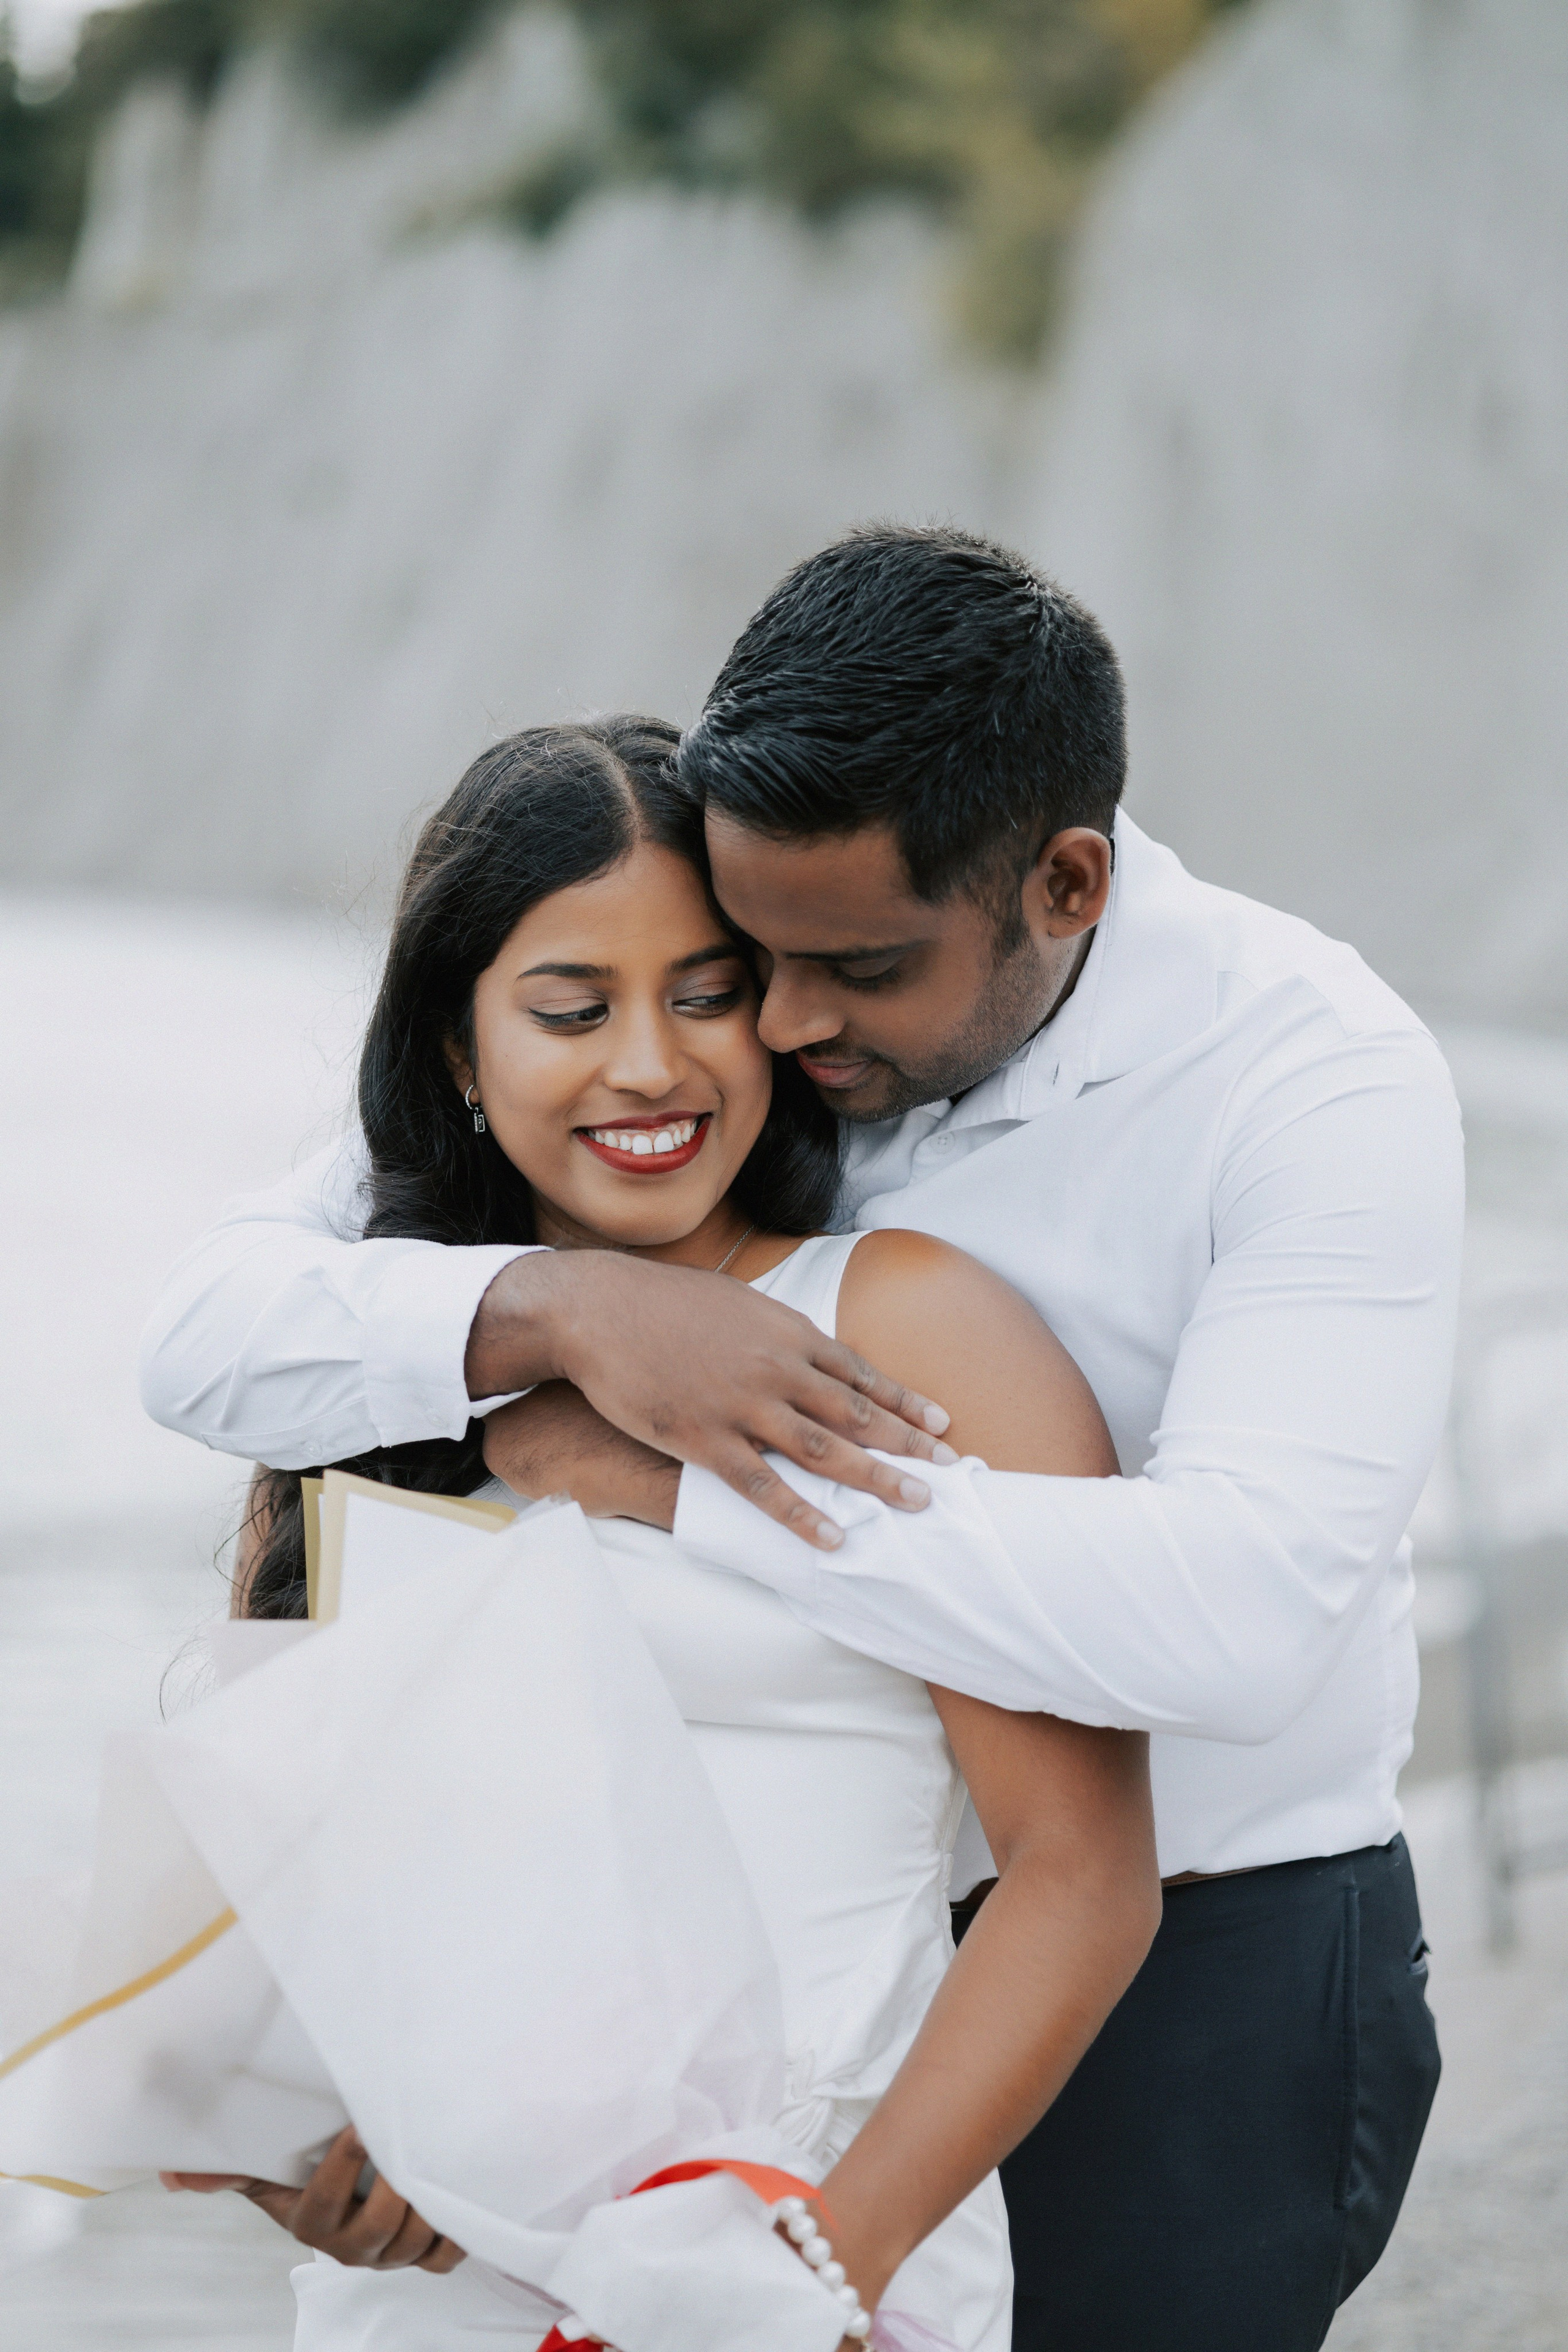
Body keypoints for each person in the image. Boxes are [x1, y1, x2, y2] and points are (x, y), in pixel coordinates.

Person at [142, 528, 1463, 2352]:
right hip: (666, 2082)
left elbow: (1240, 1623)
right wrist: (567, 1311)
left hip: (1213, 1950)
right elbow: (212, 1329)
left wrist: (674, 1479)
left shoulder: (1309, 1078)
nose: (770, 1021)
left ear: (1064, 886)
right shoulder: (701, 1081)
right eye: (742, 958)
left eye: (840, 967)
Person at [167, 714, 1159, 2349]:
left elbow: (1084, 1874)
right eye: (573, 1009)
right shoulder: (373, 1370)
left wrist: (820, 2267)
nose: (649, 1064)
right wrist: (293, 2140)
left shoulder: (905, 1323)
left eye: (708, 994)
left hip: (820, 2252)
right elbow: (275, 1884)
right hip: (445, 2294)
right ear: (456, 1050)